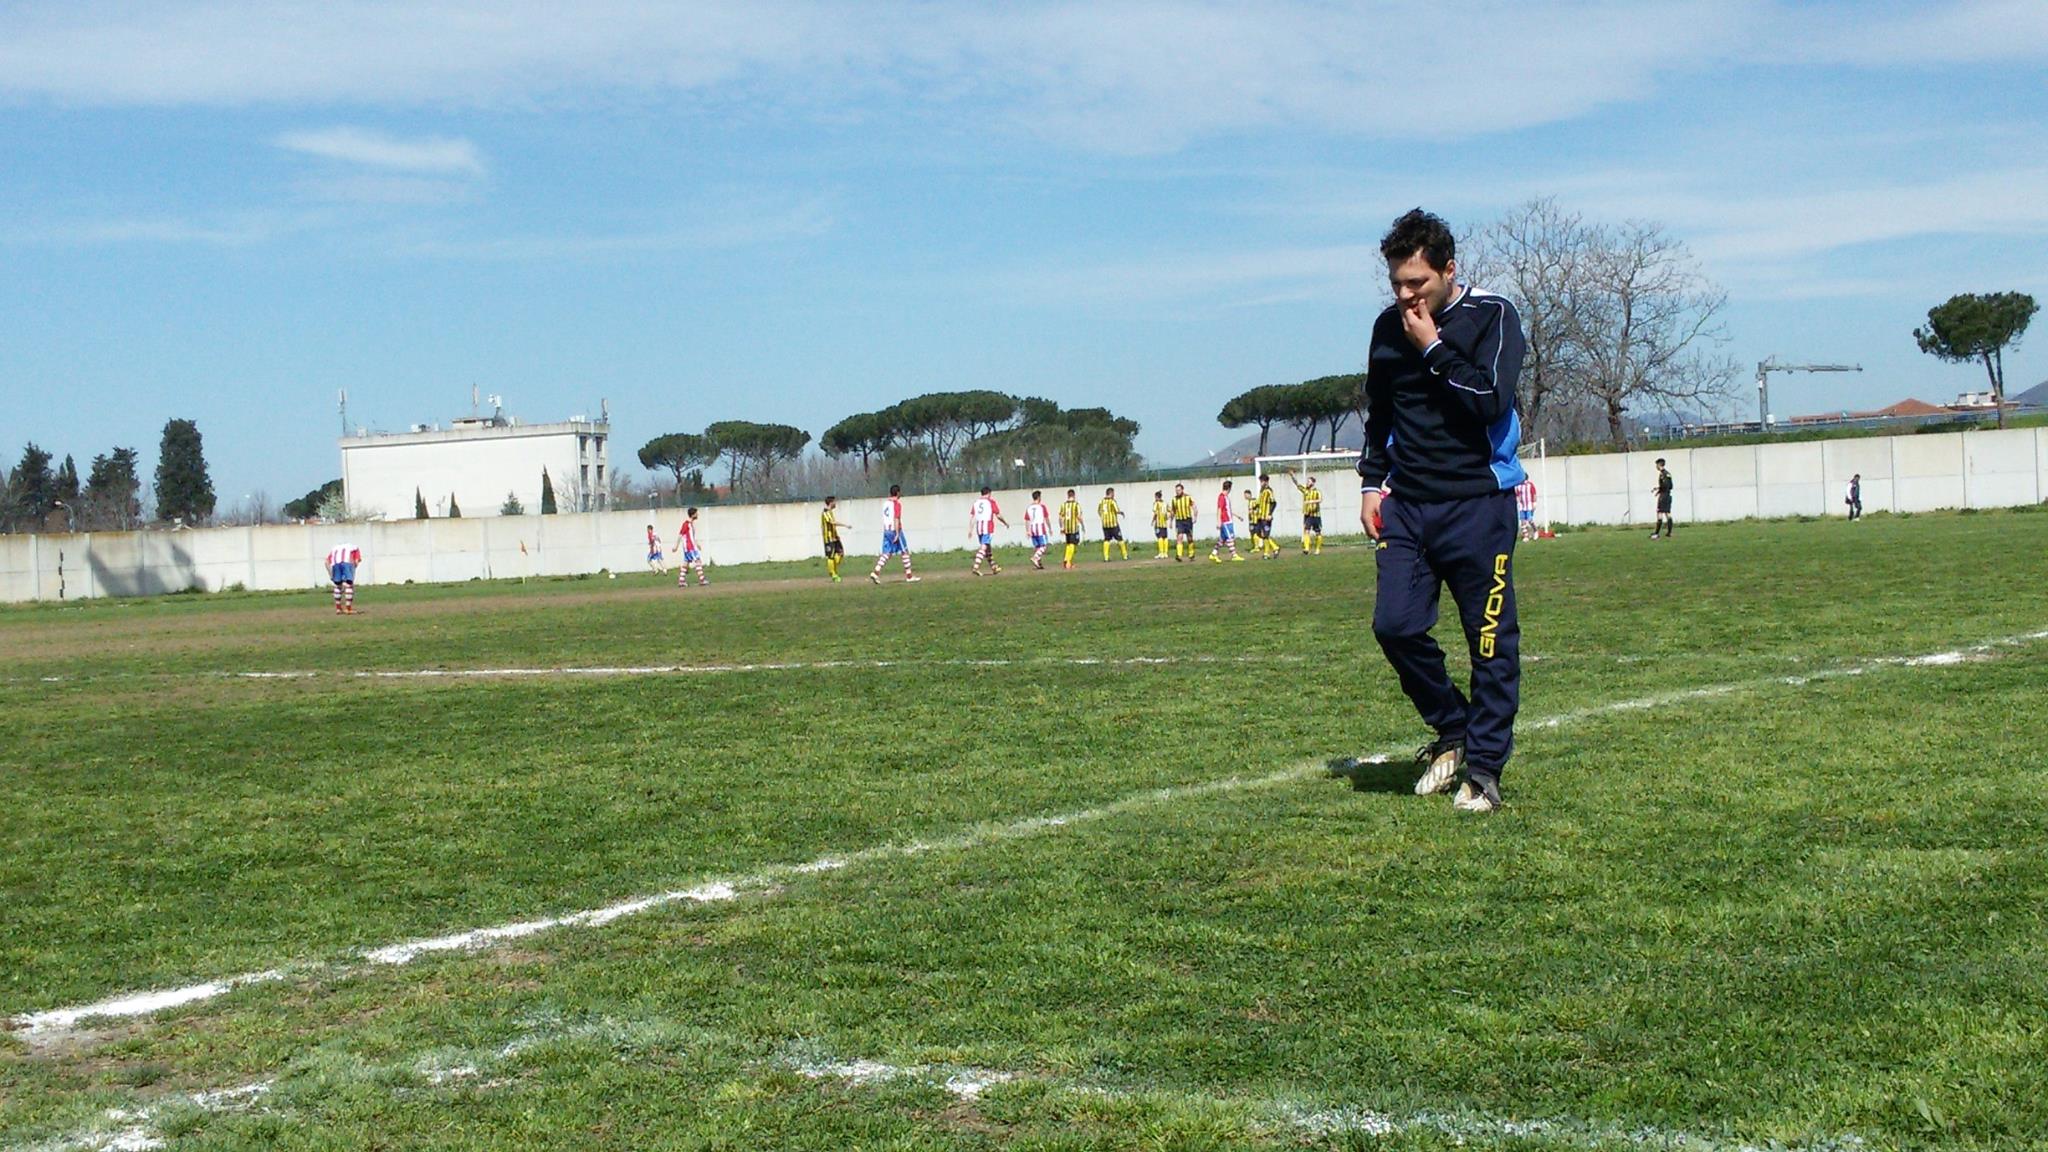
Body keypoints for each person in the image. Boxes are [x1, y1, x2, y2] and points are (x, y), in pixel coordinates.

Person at [1357, 208, 1527, 815]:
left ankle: (1483, 769)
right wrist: (1371, 485)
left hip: (1478, 506)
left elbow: (1489, 401)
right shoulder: (1385, 328)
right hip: (1407, 506)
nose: (1406, 296)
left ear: (1448, 270)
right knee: (1394, 626)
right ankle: (1452, 725)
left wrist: (1431, 346)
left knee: (1488, 640)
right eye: (1397, 284)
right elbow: (1381, 414)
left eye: (1417, 284)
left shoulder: (1493, 318)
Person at [870, 484, 920, 584]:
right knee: (904, 551)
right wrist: (897, 533)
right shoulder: (896, 504)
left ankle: (876, 572)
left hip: (886, 530)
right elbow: (896, 518)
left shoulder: (885, 503)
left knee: (887, 553)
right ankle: (909, 576)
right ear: (897, 493)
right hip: (894, 530)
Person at [971, 485, 1009, 575]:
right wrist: (1005, 522)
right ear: (989, 493)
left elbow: (972, 517)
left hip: (979, 527)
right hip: (987, 526)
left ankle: (994, 567)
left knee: (988, 548)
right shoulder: (990, 502)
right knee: (984, 547)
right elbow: (998, 515)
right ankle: (976, 567)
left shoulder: (976, 503)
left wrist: (970, 529)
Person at [1209, 479, 1245, 563]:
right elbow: (1219, 509)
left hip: (1229, 520)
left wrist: (1237, 516)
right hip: (1225, 521)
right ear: (1229, 488)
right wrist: (1218, 521)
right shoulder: (1221, 497)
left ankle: (1213, 554)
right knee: (1230, 538)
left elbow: (1228, 510)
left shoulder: (1226, 497)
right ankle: (1234, 555)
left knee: (1222, 539)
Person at [1289, 474, 1324, 554]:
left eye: (1309, 481)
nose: (1307, 483)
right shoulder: (1305, 490)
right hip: (1307, 515)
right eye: (1307, 481)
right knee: (1306, 531)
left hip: (1316, 515)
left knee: (1317, 532)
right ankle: (1307, 549)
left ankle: (1318, 549)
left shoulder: (1317, 491)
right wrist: (1292, 476)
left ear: (1313, 482)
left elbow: (1320, 499)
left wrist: (1311, 501)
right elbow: (1297, 484)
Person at [674, 507, 708, 587]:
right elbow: (680, 534)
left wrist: (697, 543)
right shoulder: (686, 524)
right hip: (690, 547)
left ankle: (681, 581)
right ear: (692, 515)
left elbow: (692, 537)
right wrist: (676, 546)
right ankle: (702, 580)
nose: (697, 515)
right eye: (696, 513)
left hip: (690, 547)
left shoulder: (691, 524)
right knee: (698, 561)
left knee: (685, 564)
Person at [326, 541, 361, 614]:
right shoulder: (355, 548)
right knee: (349, 586)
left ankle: (338, 609)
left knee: (338, 586)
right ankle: (348, 609)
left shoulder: (334, 548)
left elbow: (326, 562)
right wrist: (352, 574)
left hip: (335, 564)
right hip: (347, 563)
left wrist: (331, 575)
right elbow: (356, 561)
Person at [1098, 487, 1129, 561]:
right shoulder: (1112, 501)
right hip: (1113, 524)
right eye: (1113, 493)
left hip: (1105, 524)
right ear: (1111, 493)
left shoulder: (1101, 501)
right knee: (1120, 539)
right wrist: (1121, 513)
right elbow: (1117, 510)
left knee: (1106, 540)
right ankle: (1125, 556)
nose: (1114, 495)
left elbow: (1099, 511)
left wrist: (1103, 517)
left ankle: (1106, 557)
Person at [1025, 490, 1054, 569]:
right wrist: (1050, 528)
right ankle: (1035, 557)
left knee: (1038, 546)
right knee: (1044, 546)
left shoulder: (1029, 507)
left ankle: (1038, 563)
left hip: (1032, 528)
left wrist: (1027, 531)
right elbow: (1046, 518)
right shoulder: (1041, 507)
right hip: (1040, 527)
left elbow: (1027, 520)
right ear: (1039, 497)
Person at [820, 497, 847, 582]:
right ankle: (833, 574)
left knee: (840, 553)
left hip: (835, 537)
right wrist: (845, 525)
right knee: (830, 556)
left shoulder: (830, 512)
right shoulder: (825, 513)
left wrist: (837, 535)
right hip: (829, 539)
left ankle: (833, 569)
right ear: (831, 503)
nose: (836, 504)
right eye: (834, 502)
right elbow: (832, 523)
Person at [1253, 474, 1280, 557]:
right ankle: (1275, 547)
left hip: (1266, 517)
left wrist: (1270, 514)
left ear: (1266, 481)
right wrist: (1255, 506)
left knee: (1265, 534)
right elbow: (1260, 502)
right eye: (1260, 481)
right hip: (1260, 516)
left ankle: (1266, 553)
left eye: (1262, 481)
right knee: (1258, 533)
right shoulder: (1262, 490)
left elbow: (1274, 503)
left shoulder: (1269, 491)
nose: (1260, 483)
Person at [1057, 489, 1084, 569]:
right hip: (1073, 527)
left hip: (1066, 527)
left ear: (1068, 495)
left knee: (1068, 544)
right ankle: (1068, 562)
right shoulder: (1076, 504)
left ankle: (1066, 560)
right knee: (1072, 544)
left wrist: (1061, 527)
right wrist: (1082, 525)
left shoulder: (1063, 505)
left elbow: (1060, 517)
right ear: (1074, 495)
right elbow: (1079, 516)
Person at [1170, 483, 1197, 561]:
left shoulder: (1188, 497)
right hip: (1179, 520)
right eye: (1176, 490)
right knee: (1179, 537)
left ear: (1182, 490)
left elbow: (1194, 507)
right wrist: (1171, 521)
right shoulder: (1174, 499)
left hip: (1187, 520)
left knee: (1189, 537)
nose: (1177, 492)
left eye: (1179, 490)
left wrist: (1195, 517)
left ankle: (1191, 554)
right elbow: (1173, 511)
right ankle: (1179, 555)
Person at [1651, 458, 1675, 539]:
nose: (1656, 467)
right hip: (1668, 495)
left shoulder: (1662, 474)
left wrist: (1659, 489)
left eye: (1656, 465)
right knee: (1668, 513)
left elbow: (1664, 485)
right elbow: (1671, 486)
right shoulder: (1668, 473)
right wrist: (1658, 489)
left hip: (1663, 496)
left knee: (1659, 513)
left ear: (1659, 465)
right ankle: (1670, 533)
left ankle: (1656, 534)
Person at [1514, 477, 1539, 542]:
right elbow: (1517, 495)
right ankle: (1526, 536)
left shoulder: (1530, 485)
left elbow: (1534, 494)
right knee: (1523, 521)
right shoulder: (1518, 486)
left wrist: (1534, 503)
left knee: (1530, 520)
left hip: (1529, 506)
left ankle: (1535, 530)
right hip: (1522, 506)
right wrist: (1518, 502)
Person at [1151, 490, 1172, 559]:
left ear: (1157, 497)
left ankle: (1161, 553)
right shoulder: (1165, 503)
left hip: (1159, 523)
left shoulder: (1156, 503)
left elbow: (1155, 513)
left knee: (1159, 537)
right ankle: (1165, 553)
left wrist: (1152, 521)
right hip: (1164, 524)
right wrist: (1168, 517)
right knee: (1165, 537)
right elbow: (1171, 511)